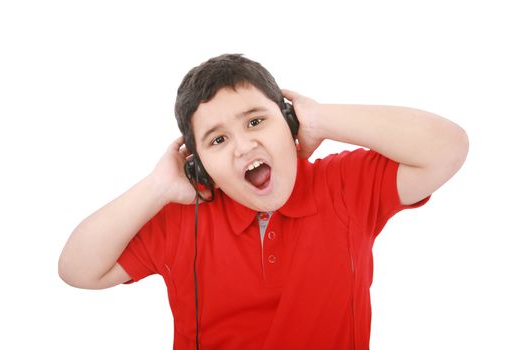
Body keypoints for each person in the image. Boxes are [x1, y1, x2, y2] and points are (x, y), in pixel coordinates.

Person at [58, 53, 469, 349]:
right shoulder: (183, 216)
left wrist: (323, 119)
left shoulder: (344, 185)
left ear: (290, 124)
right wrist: (157, 187)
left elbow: (447, 149)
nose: (243, 145)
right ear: (199, 166)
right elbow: (77, 269)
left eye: (256, 121)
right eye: (218, 140)